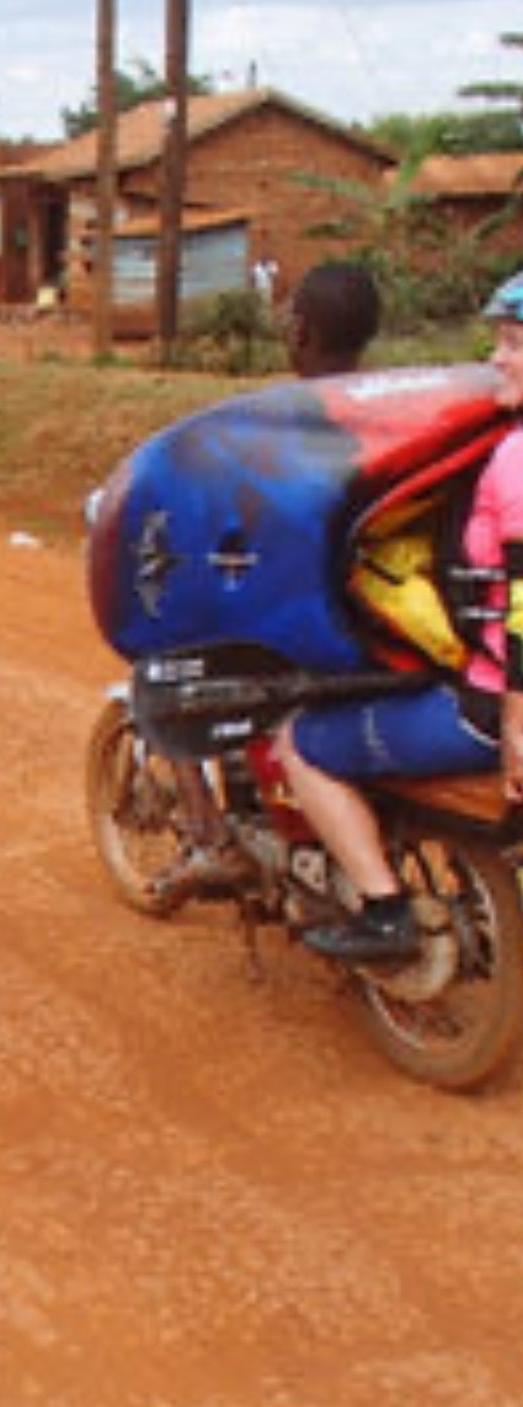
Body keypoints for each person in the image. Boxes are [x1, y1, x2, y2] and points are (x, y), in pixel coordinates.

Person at [271, 267, 523, 966]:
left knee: (305, 745)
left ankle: (386, 911)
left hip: (487, 706)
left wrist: (514, 719)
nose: (494, 359)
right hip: (490, 686)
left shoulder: (516, 460)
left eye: (512, 343)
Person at [152, 260, 384, 901]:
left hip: (301, 634)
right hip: (381, 624)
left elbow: (226, 520)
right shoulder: (395, 412)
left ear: (300, 331)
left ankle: (212, 841)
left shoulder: (272, 425)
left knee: (172, 677)